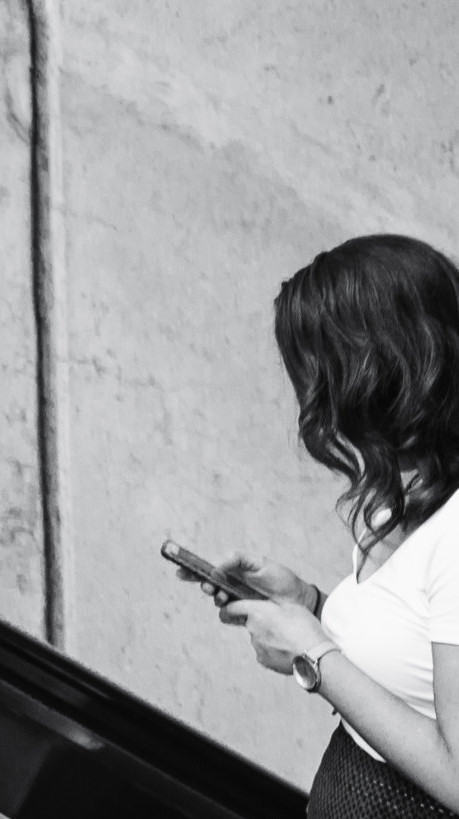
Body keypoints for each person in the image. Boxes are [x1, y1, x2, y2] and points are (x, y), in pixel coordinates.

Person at [194, 235, 459, 816]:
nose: (315, 398)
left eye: (321, 370)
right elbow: (412, 651)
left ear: (378, 369)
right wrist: (308, 604)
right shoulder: (407, 482)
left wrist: (311, 655)